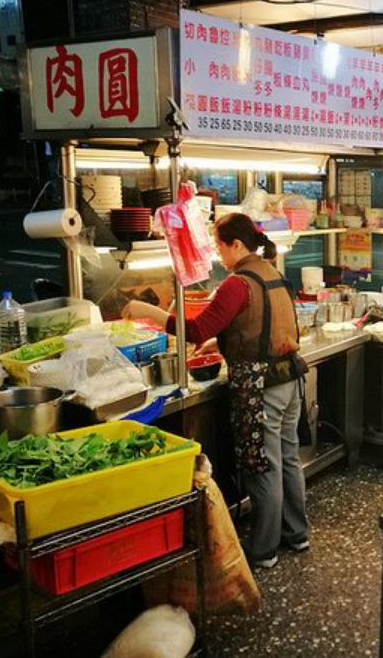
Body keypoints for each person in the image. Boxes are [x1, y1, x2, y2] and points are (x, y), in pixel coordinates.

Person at [123, 213, 309, 571]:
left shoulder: (238, 283)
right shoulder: (273, 273)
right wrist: (220, 340)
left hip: (261, 387)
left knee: (263, 466)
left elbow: (194, 329)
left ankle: (264, 550)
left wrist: (149, 312)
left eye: (218, 246)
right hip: (289, 379)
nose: (216, 255)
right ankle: (296, 534)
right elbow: (262, 323)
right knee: (286, 459)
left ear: (236, 245)